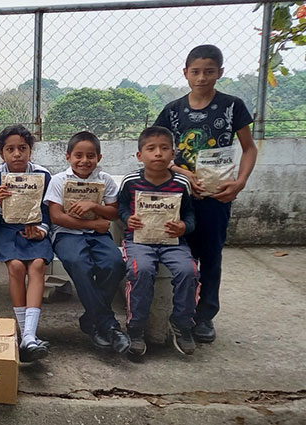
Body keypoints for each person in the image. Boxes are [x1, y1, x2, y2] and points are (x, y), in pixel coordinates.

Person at [153, 45, 257, 343]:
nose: (201, 78)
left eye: (209, 72)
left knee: (210, 256)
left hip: (217, 197)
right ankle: (178, 312)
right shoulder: (173, 111)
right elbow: (157, 149)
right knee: (179, 255)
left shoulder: (232, 106)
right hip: (178, 196)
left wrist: (240, 182)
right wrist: (182, 172)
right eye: (195, 72)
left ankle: (205, 316)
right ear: (185, 73)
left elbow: (249, 148)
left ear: (220, 73)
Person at [45, 131, 130, 355]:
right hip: (67, 234)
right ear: (68, 157)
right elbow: (56, 217)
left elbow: (112, 213)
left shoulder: (105, 180)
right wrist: (92, 225)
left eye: (90, 156)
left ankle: (91, 319)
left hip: (99, 235)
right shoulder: (59, 180)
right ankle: (109, 324)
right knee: (79, 263)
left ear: (99, 158)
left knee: (115, 264)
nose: (84, 161)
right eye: (78, 156)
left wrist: (93, 207)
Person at [118, 126, 198, 357]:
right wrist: (127, 219)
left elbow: (190, 215)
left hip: (173, 242)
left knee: (189, 271)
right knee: (141, 270)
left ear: (173, 154)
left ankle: (182, 324)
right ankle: (135, 328)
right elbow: (121, 207)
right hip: (138, 241)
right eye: (151, 149)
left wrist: (184, 226)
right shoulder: (131, 182)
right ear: (139, 155)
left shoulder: (182, 184)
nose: (158, 154)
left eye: (164, 148)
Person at [0, 125, 53, 362]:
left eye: (22, 149)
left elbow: (47, 211)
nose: (17, 154)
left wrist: (42, 232)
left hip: (34, 229)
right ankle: (26, 333)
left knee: (37, 265)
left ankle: (28, 335)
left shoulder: (43, 175)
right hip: (5, 230)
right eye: (10, 149)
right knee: (15, 266)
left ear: (30, 151)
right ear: (1, 153)